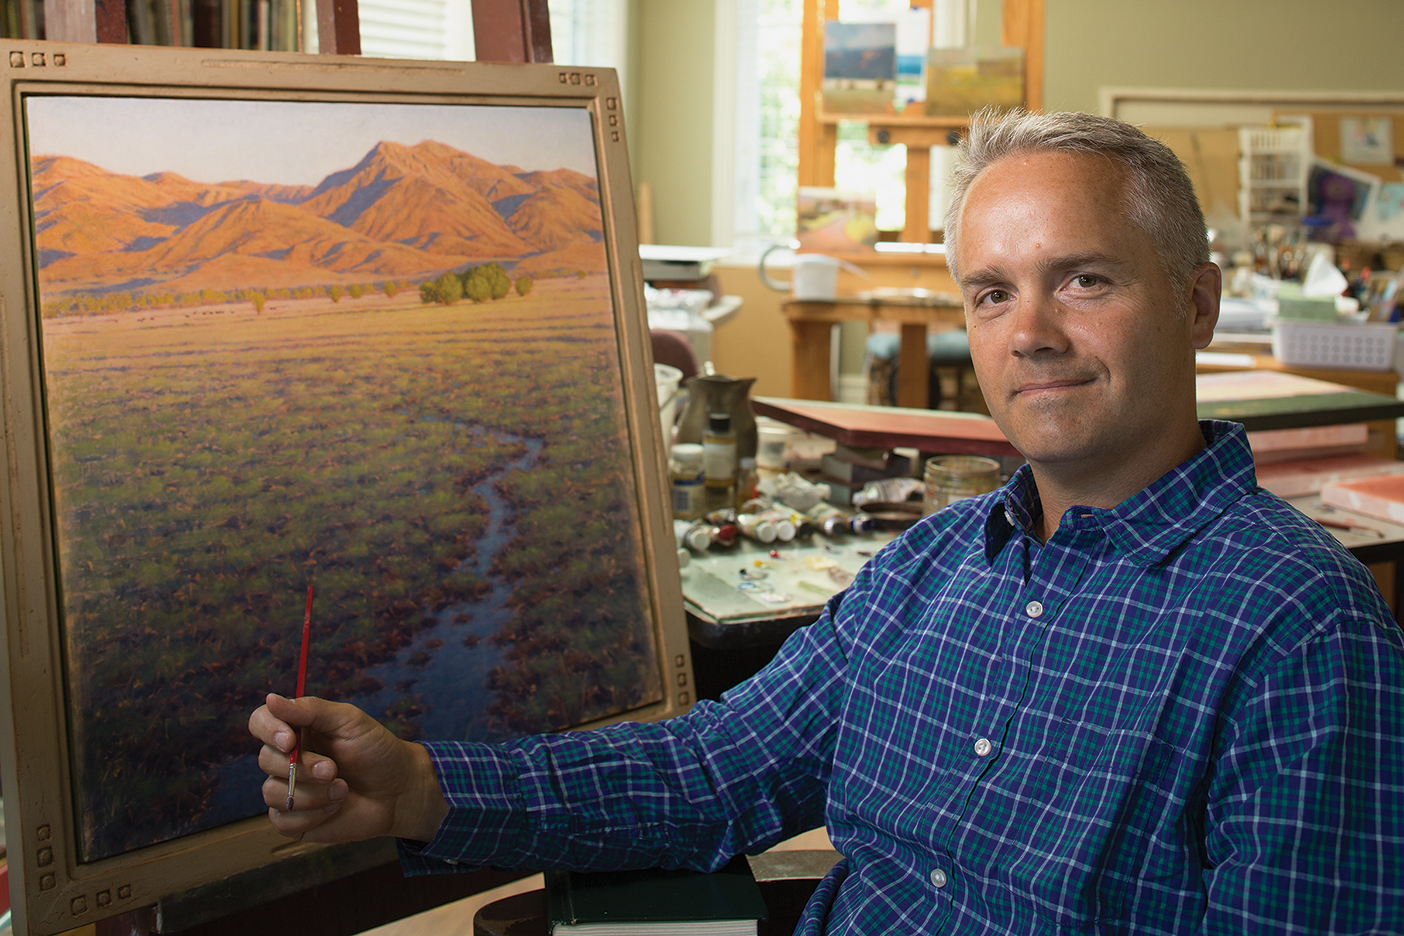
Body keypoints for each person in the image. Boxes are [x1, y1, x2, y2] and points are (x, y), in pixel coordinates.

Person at [250, 110, 1404, 934]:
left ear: (1197, 302)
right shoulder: (931, 571)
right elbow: (709, 770)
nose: (1029, 333)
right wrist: (420, 788)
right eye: (992, 293)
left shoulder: (1300, 634)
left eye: (1085, 280)